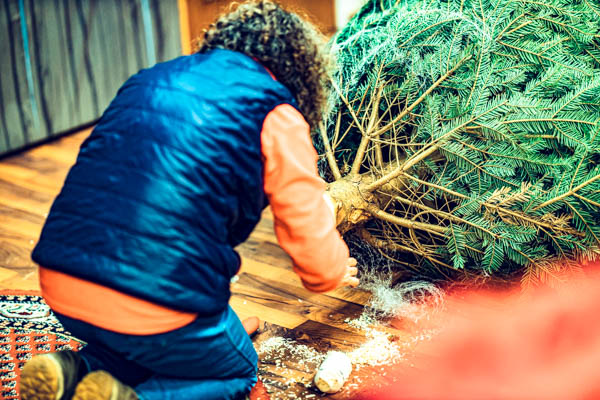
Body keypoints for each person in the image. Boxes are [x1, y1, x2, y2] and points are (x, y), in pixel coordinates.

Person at [20, 1, 358, 399]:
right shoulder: (276, 113)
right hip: (151, 299)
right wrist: (334, 269)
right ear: (301, 70)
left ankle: (72, 371)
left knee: (140, 344)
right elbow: (309, 237)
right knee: (238, 372)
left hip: (62, 281)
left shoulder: (150, 79)